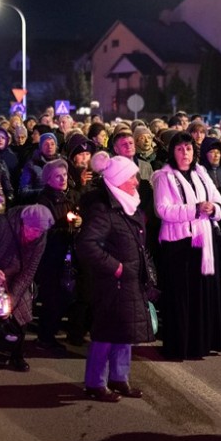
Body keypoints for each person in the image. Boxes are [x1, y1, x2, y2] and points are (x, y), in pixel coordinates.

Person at [77, 154, 155, 402]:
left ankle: (119, 378)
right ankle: (95, 382)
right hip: (112, 283)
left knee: (125, 331)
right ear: (119, 180)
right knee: (106, 333)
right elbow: (87, 244)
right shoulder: (104, 211)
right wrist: (116, 267)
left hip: (131, 280)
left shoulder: (128, 205)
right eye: (132, 177)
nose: (136, 181)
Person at [152, 131, 221, 360]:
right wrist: (194, 209)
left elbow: (219, 201)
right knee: (181, 298)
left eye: (189, 148)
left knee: (201, 295)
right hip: (178, 244)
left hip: (203, 241)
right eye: (180, 149)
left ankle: (201, 343)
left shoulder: (201, 173)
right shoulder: (164, 176)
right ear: (172, 152)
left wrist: (213, 209)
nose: (185, 153)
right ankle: (180, 346)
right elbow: (162, 209)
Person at [0, 204, 54, 372]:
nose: (35, 235)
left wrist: (12, 299)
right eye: (32, 230)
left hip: (13, 279)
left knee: (22, 311)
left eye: (40, 232)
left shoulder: (41, 237)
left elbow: (28, 272)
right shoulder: (1, 224)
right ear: (23, 222)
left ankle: (16, 354)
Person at [34, 158, 81, 351]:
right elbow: (42, 229)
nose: (63, 179)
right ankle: (45, 337)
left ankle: (53, 332)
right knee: (52, 297)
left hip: (70, 253)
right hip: (52, 255)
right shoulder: (44, 200)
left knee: (66, 295)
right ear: (48, 179)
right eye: (57, 176)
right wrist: (63, 223)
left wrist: (79, 222)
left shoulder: (73, 196)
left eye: (64, 175)